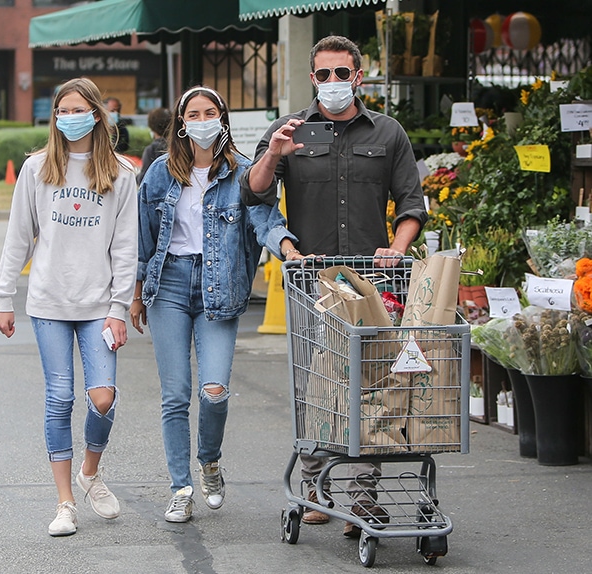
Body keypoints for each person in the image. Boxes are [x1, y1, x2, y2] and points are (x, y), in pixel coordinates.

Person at [240, 35, 428, 538]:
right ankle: (317, 488)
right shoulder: (290, 131)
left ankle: (364, 496)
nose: (332, 83)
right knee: (317, 384)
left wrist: (397, 247)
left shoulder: (387, 133)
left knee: (371, 388)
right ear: (312, 79)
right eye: (322, 75)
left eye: (340, 74)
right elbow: (254, 193)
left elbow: (412, 205)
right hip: (313, 281)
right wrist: (274, 152)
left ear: (357, 77)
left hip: (372, 282)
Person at [130, 86, 292, 524]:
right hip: (168, 285)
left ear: (222, 118)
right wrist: (135, 292)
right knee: (176, 395)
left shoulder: (242, 172)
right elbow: (142, 237)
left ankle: (210, 461)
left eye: (210, 112)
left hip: (220, 287)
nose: (201, 120)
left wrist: (287, 248)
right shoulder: (161, 172)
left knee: (214, 392)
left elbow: (264, 217)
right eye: (193, 114)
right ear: (181, 123)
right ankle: (180, 486)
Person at [0, 77, 138, 537]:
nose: (69, 116)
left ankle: (90, 472)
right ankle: (65, 504)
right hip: (49, 302)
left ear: (97, 113)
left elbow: (126, 248)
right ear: (55, 117)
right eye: (62, 110)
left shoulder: (121, 172)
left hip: (99, 304)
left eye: (78, 108)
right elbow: (19, 237)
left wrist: (119, 307)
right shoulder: (37, 169)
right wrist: (4, 297)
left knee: (103, 397)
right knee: (59, 398)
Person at [135, 107, 172, 185]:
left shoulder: (151, 150)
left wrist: (136, 177)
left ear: (152, 127)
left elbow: (144, 178)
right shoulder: (179, 146)